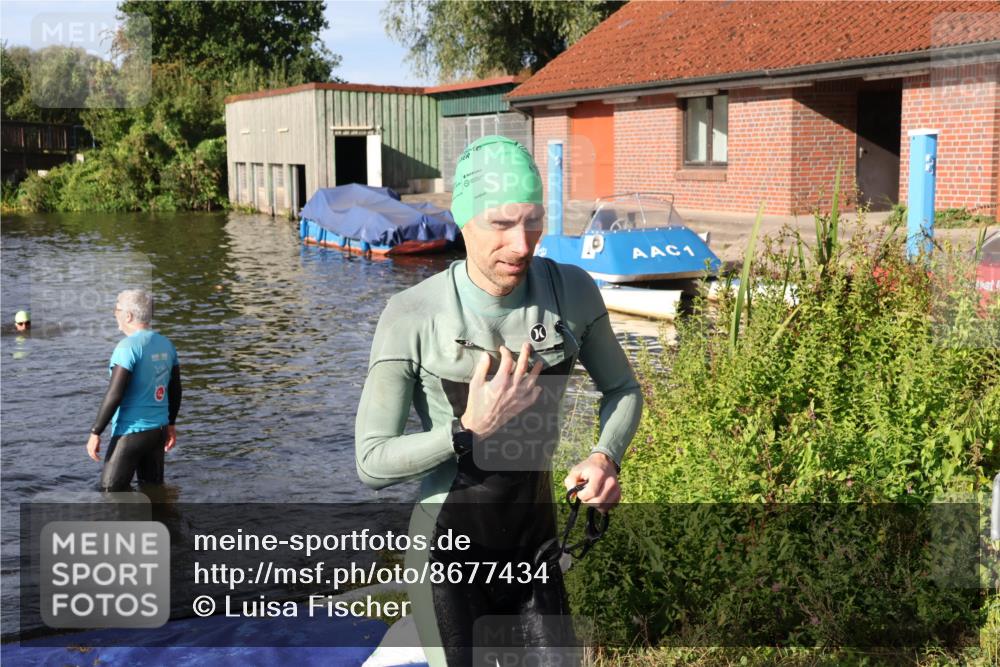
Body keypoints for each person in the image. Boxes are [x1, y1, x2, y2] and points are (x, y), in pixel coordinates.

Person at [355, 136, 643, 666]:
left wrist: (606, 457)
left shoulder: (571, 293)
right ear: (462, 221)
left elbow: (622, 389)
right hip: (447, 559)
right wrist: (466, 430)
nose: (521, 244)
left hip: (535, 548)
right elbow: (371, 461)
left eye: (533, 222)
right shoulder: (411, 316)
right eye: (501, 224)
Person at [87, 290, 181, 491]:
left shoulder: (127, 347)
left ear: (128, 316)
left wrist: (96, 432)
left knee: (110, 492)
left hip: (131, 433)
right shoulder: (166, 344)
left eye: (116, 309)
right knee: (153, 490)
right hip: (158, 431)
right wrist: (171, 424)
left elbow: (115, 394)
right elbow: (175, 389)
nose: (115, 314)